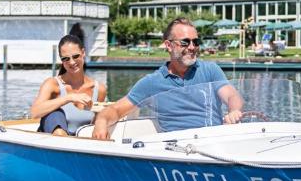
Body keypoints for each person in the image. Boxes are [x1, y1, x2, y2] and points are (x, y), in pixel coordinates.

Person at [91, 17, 243, 139]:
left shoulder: (210, 70)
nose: (192, 47)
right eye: (185, 42)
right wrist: (101, 121)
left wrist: (234, 110)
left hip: (213, 141)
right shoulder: (152, 82)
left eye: (195, 42)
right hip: (176, 150)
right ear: (168, 46)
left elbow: (231, 95)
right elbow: (116, 109)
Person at [30, 31, 107, 136]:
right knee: (55, 113)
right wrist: (69, 98)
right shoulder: (52, 84)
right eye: (65, 59)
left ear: (83, 53)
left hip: (81, 143)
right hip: (55, 140)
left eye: (75, 56)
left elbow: (94, 125)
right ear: (61, 60)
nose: (71, 62)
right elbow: (35, 112)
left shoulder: (99, 89)